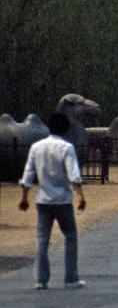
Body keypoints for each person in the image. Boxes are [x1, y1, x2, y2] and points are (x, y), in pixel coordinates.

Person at [18, 112, 87, 290]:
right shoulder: (67, 147)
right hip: (63, 200)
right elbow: (74, 175)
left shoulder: (36, 147)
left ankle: (41, 280)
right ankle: (71, 278)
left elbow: (28, 174)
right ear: (65, 128)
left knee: (42, 240)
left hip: (43, 200)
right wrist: (80, 196)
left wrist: (24, 197)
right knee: (70, 237)